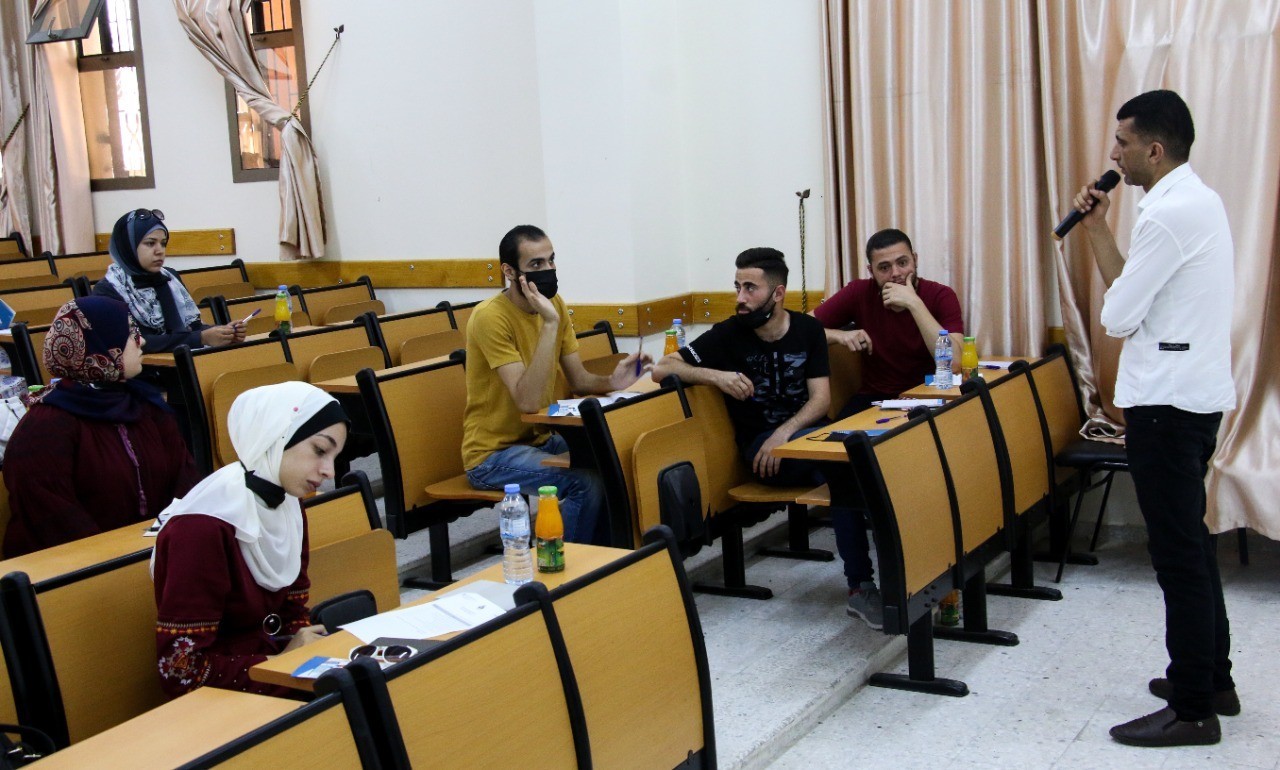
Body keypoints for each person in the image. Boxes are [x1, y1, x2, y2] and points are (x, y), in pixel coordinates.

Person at [1071, 89, 1237, 747]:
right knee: (1191, 543)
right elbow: (1130, 293)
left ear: (1155, 149)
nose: (1114, 155)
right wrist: (1096, 228)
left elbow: (1116, 316)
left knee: (1177, 557)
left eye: (1123, 143)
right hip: (1189, 399)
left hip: (1167, 407)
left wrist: (1120, 301)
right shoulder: (1195, 200)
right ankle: (1213, 680)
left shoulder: (1168, 215)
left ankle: (1193, 709)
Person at [651, 247, 883, 629]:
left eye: (750, 288)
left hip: (801, 439)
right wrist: (717, 376)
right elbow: (663, 368)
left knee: (855, 470)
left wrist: (784, 433)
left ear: (777, 293)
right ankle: (863, 587)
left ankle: (881, 581)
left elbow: (821, 399)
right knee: (848, 467)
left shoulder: (807, 330)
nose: (740, 297)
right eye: (738, 287)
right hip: (764, 455)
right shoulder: (729, 334)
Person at [151, 381, 348, 698]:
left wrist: (307, 649)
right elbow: (181, 671)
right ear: (277, 436)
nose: (329, 471)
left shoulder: (287, 504)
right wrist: (282, 664)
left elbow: (291, 613)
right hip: (223, 701)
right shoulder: (202, 529)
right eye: (320, 450)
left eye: (334, 457)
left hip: (273, 673)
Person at [463, 225, 650, 545]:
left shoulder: (556, 304)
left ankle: (609, 558)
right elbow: (527, 402)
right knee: (586, 482)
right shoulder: (490, 317)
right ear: (509, 271)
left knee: (613, 462)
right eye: (536, 264)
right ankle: (568, 567)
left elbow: (579, 380)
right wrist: (549, 324)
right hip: (492, 455)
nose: (548, 270)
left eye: (551, 260)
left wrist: (612, 382)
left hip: (541, 439)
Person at [2, 297, 199, 557]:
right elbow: (55, 520)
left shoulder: (146, 405)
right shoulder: (45, 427)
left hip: (153, 553)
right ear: (101, 346)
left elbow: (185, 480)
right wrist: (120, 559)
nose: (141, 341)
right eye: (129, 334)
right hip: (78, 566)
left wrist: (170, 538)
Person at [813, 229, 964, 416]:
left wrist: (914, 303)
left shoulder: (941, 295)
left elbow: (954, 363)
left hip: (930, 393)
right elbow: (799, 329)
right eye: (884, 268)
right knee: (839, 433)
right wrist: (838, 335)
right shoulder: (859, 292)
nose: (896, 273)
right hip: (876, 398)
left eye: (902, 263)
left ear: (915, 260)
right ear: (871, 271)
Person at [93, 208, 245, 353]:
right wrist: (201, 338)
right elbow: (133, 342)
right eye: (150, 243)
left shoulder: (169, 278)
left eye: (163, 243)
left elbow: (193, 328)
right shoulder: (108, 289)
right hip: (144, 368)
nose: (160, 251)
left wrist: (224, 333)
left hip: (181, 360)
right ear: (128, 246)